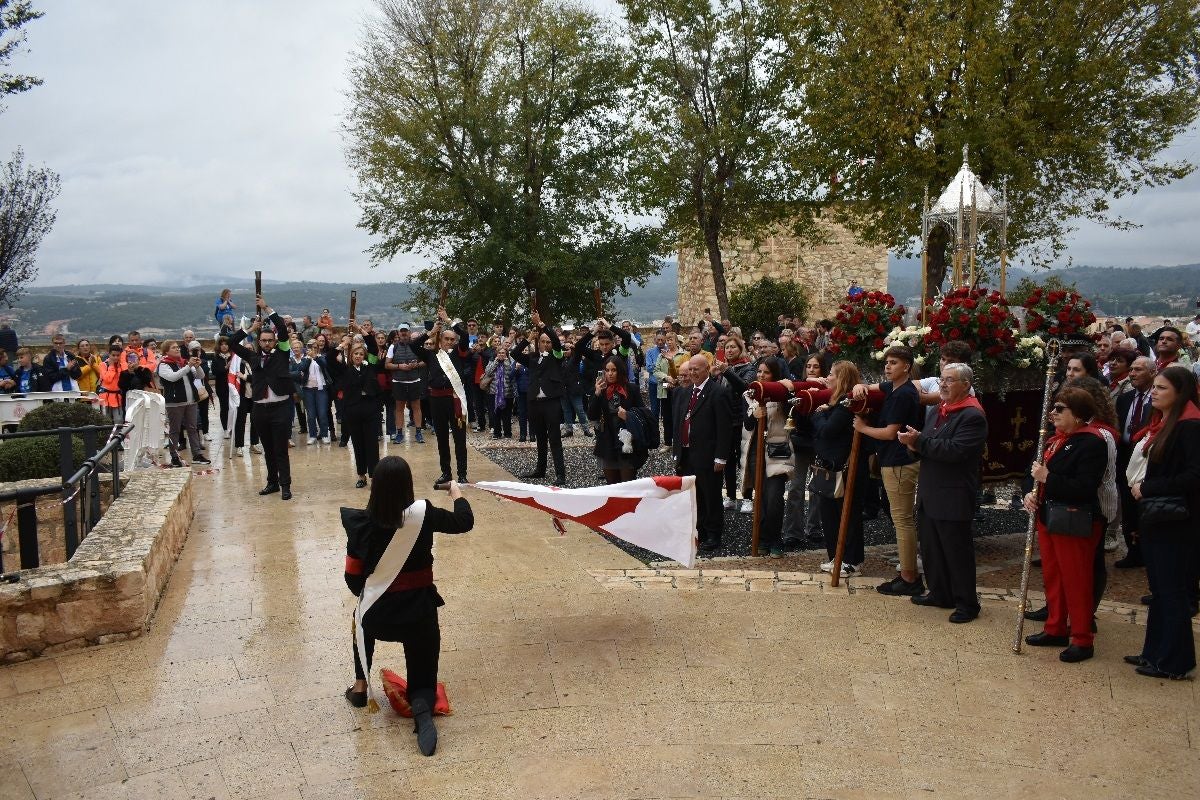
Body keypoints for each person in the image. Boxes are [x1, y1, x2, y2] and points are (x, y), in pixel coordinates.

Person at [341, 457, 474, 755]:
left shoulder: (360, 524)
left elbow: (352, 578)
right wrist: (455, 492)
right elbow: (465, 522)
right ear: (408, 486)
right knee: (423, 666)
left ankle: (360, 686)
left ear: (375, 488)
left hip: (378, 618)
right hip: (419, 615)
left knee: (360, 615)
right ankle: (422, 705)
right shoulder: (424, 515)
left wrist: (375, 593)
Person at [1022, 387, 1108, 662]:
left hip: (1074, 519)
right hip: (1049, 516)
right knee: (1054, 576)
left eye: (1060, 409)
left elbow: (1084, 486)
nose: (1053, 413)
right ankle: (1055, 627)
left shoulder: (1092, 442)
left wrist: (1047, 478)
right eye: (1053, 408)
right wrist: (1029, 493)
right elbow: (1032, 474)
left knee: (1076, 580)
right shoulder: (1052, 440)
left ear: (1079, 414)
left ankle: (1082, 638)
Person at [897, 362, 987, 622]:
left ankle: (967, 603)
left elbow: (955, 450)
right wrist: (913, 444)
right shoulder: (939, 409)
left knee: (956, 552)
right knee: (932, 548)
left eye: (949, 380)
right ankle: (940, 593)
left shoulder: (972, 416)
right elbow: (927, 444)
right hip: (930, 491)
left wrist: (919, 442)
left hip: (953, 494)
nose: (943, 385)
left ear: (966, 385)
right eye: (942, 380)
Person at [1128, 365, 1200, 679]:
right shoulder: (1165, 423)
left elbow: (1194, 475)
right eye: (1154, 387)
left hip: (1176, 520)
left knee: (1172, 590)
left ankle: (1175, 661)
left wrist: (1148, 487)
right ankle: (1154, 651)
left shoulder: (1190, 426)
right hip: (1157, 517)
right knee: (1160, 588)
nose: (1154, 392)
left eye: (1161, 388)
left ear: (1180, 393)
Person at [853, 346, 925, 596]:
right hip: (894, 460)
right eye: (886, 362)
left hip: (898, 462)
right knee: (902, 519)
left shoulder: (903, 394)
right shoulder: (895, 388)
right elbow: (874, 387)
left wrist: (862, 428)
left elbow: (890, 433)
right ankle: (908, 574)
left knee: (902, 521)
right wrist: (860, 386)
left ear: (907, 367)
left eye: (893, 362)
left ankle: (909, 578)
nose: (887, 366)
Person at [229, 297, 295, 500]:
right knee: (268, 449)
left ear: (274, 341)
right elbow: (232, 343)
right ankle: (272, 482)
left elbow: (282, 329)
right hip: (260, 409)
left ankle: (285, 485)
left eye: (270, 340)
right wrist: (250, 329)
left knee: (281, 449)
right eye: (264, 340)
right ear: (259, 342)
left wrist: (266, 308)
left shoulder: (282, 353)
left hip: (281, 407)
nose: (267, 343)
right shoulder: (252, 357)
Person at [811, 361, 870, 577]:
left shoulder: (846, 404)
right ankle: (836, 556)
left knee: (848, 514)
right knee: (829, 515)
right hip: (830, 465)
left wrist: (818, 414)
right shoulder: (834, 403)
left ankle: (852, 560)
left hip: (846, 468)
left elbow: (827, 430)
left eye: (831, 374)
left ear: (842, 378)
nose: (827, 377)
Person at [672, 354, 734, 552]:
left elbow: (724, 427)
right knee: (694, 495)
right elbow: (678, 423)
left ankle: (714, 533)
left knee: (711, 495)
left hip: (708, 454)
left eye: (696, 369)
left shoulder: (718, 392)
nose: (692, 373)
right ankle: (700, 530)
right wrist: (676, 451)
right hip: (687, 453)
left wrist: (721, 457)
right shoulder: (684, 393)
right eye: (690, 369)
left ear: (707, 369)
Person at [740, 359, 795, 557]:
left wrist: (788, 389)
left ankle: (775, 538)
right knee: (761, 497)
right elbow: (747, 424)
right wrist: (754, 414)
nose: (761, 376)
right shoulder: (750, 394)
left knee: (774, 498)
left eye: (766, 372)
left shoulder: (782, 394)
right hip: (755, 451)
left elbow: (793, 412)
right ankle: (762, 538)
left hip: (777, 450)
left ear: (775, 375)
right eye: (759, 371)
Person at [414, 308, 472, 486]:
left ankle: (462, 473)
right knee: (441, 438)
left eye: (452, 339)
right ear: (440, 340)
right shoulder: (432, 355)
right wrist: (430, 332)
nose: (449, 342)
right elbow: (413, 345)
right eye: (446, 339)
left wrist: (449, 320)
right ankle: (446, 472)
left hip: (455, 400)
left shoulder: (460, 353)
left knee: (460, 438)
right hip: (437, 401)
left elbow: (465, 335)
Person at [512, 311, 567, 485]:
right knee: (540, 438)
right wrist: (528, 338)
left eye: (548, 342)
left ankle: (560, 474)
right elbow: (514, 353)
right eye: (543, 341)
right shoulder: (533, 358)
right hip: (535, 402)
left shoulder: (557, 356)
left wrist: (542, 324)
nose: (545, 344)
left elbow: (556, 342)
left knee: (555, 438)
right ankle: (540, 469)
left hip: (551, 402)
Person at [1114, 357, 1156, 568]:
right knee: (1128, 506)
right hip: (1125, 457)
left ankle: (1148, 550)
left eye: (1138, 369)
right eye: (1131, 369)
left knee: (1143, 506)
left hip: (1146, 458)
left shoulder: (1156, 399)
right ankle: (1133, 550)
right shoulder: (1125, 399)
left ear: (1152, 372)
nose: (1132, 373)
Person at [781, 354, 825, 548]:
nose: (812, 370)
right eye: (809, 366)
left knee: (818, 488)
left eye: (816, 366)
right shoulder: (798, 387)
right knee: (796, 487)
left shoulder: (828, 388)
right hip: (800, 442)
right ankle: (793, 531)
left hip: (819, 443)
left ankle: (814, 528)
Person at [332, 343, 383, 488]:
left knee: (372, 444)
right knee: (358, 443)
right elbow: (330, 359)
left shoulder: (370, 367)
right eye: (356, 353)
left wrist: (364, 333)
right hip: (353, 411)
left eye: (361, 354)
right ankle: (361, 475)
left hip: (370, 410)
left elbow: (373, 349)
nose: (358, 356)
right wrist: (341, 345)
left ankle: (374, 476)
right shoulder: (345, 370)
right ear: (351, 355)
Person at [588, 355, 642, 484]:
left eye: (614, 370)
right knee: (612, 485)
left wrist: (628, 415)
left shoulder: (631, 389)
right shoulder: (600, 389)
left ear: (620, 371)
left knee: (627, 484)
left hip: (626, 439)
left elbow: (642, 413)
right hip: (607, 439)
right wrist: (597, 394)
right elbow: (592, 416)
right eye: (607, 370)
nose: (610, 373)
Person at [156, 340, 209, 467]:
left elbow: (200, 376)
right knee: (175, 430)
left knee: (193, 428)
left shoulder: (184, 362)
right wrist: (188, 366)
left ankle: (197, 454)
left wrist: (197, 366)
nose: (177, 349)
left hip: (191, 401)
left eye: (177, 347)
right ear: (166, 351)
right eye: (173, 348)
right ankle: (174, 456)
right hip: (175, 403)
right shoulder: (163, 365)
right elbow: (173, 377)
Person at [385, 324, 427, 444]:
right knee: (399, 409)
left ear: (409, 332)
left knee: (416, 407)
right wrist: (399, 366)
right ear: (398, 333)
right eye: (401, 331)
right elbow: (387, 364)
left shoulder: (416, 346)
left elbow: (426, 361)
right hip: (399, 381)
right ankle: (399, 433)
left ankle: (418, 432)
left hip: (414, 380)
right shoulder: (393, 347)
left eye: (406, 331)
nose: (403, 333)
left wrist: (416, 365)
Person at [295, 339, 332, 445]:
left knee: (322, 413)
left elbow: (324, 364)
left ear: (318, 348)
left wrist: (315, 357)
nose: (313, 349)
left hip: (321, 389)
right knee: (311, 415)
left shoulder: (322, 357)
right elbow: (301, 368)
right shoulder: (304, 359)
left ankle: (324, 434)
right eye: (311, 347)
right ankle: (312, 435)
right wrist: (309, 358)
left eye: (315, 347)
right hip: (308, 390)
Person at [483, 341, 518, 439]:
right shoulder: (492, 361)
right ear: (496, 354)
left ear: (506, 354)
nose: (501, 354)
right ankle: (497, 433)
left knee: (507, 414)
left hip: (508, 392)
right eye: (499, 353)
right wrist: (496, 361)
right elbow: (488, 372)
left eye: (503, 353)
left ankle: (507, 433)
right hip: (494, 392)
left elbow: (510, 374)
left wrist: (506, 362)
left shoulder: (510, 361)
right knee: (496, 413)